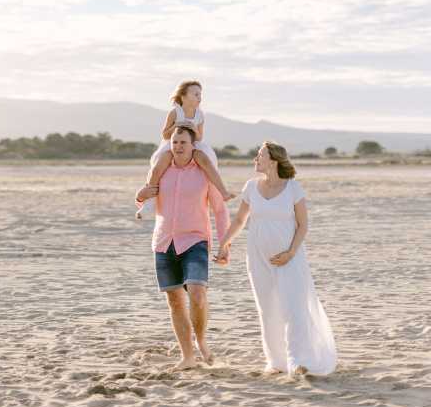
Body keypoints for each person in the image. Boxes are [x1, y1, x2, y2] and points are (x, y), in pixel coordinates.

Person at [215, 141, 337, 376]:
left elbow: (303, 225)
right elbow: (240, 220)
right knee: (267, 309)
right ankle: (277, 362)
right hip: (258, 257)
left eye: (259, 155)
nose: (255, 159)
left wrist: (290, 253)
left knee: (294, 307)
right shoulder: (251, 186)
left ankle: (299, 361)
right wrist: (224, 243)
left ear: (273, 160)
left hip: (289, 258)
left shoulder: (293, 188)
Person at [135, 125, 230, 370]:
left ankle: (202, 342)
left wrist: (225, 243)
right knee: (176, 302)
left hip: (195, 240)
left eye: (183, 143)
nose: (177, 147)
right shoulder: (162, 171)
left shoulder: (204, 174)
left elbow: (220, 210)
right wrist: (139, 195)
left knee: (197, 294)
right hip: (164, 242)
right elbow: (145, 200)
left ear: (193, 146)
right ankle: (187, 356)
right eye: (174, 142)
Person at [136, 80, 233, 219]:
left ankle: (219, 192)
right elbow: (164, 134)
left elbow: (199, 137)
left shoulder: (199, 115)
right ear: (183, 96)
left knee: (208, 161)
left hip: (192, 144)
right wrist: (178, 125)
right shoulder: (175, 112)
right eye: (195, 94)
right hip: (173, 143)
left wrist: (194, 129)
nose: (199, 98)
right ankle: (150, 202)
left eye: (200, 95)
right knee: (157, 166)